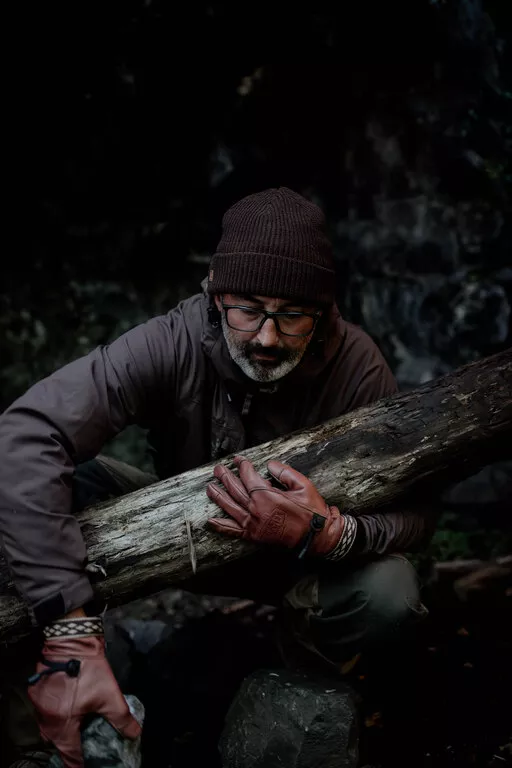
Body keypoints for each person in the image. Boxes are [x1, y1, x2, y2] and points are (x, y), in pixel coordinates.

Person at [0, 187, 434, 767]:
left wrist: (329, 534)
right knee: (45, 485)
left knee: (389, 592)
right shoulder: (174, 339)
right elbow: (27, 433)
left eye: (292, 315)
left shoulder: (357, 365)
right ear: (215, 292)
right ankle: (44, 723)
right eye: (248, 309)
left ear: (324, 311)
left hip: (301, 567)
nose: (267, 338)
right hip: (174, 531)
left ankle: (293, 692)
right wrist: (67, 630)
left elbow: (418, 512)